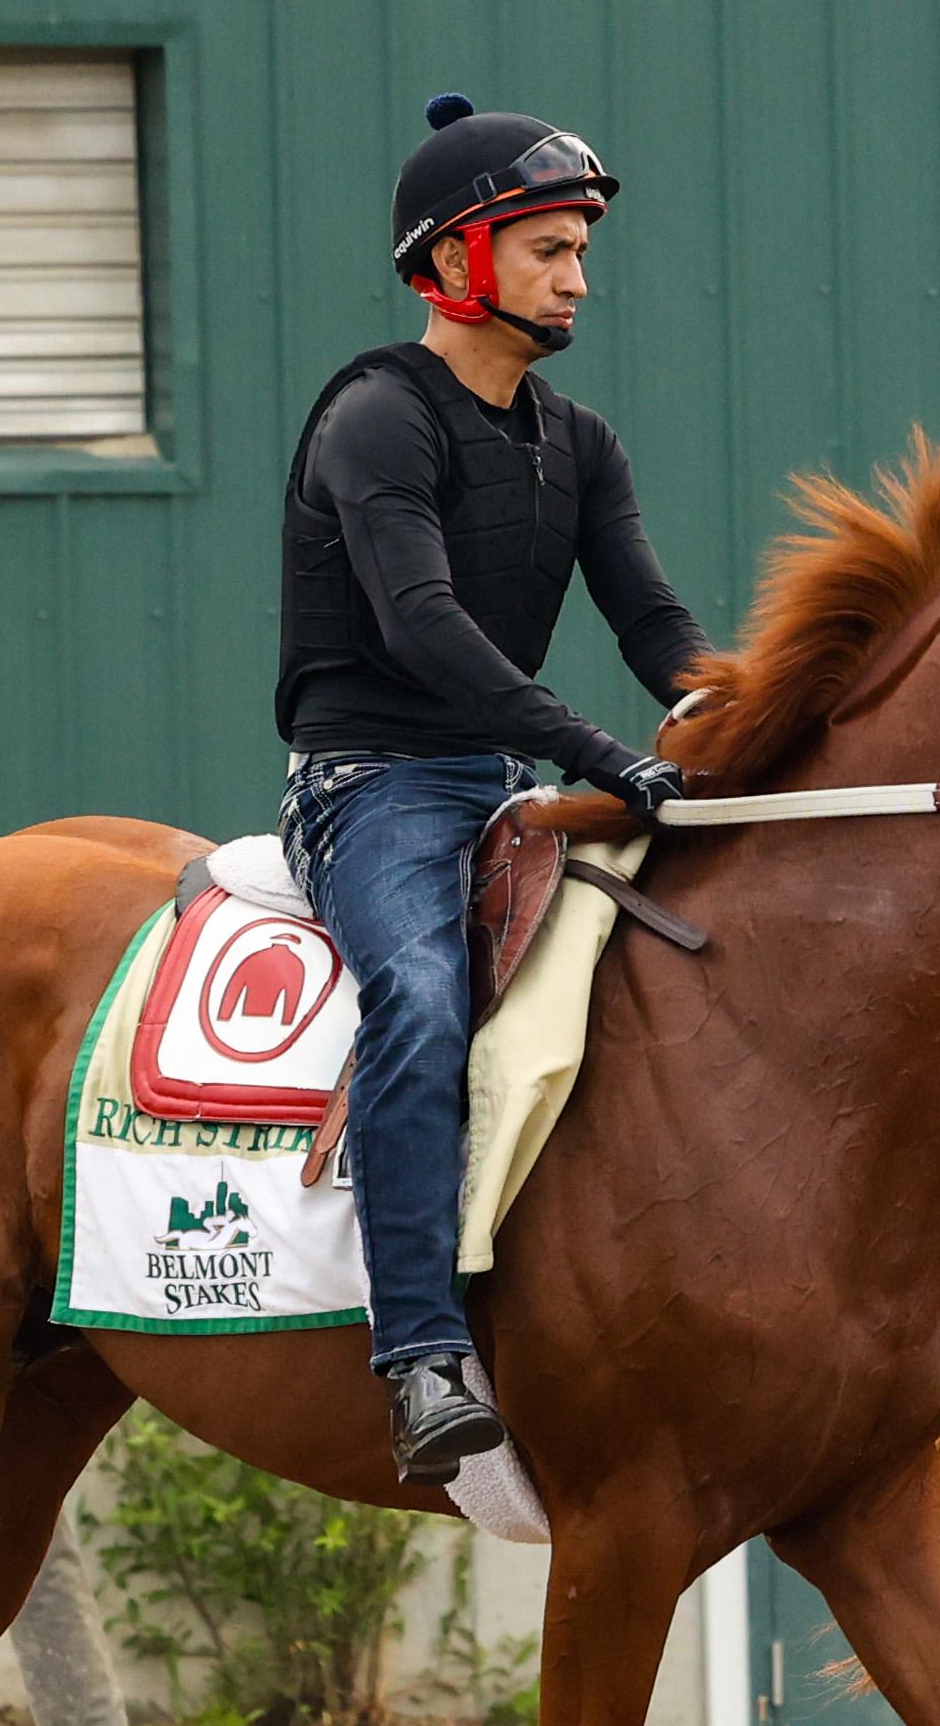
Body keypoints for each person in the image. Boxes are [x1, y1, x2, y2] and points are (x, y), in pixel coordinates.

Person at [277, 96, 709, 1478]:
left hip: (507, 779)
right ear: (453, 262)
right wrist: (606, 758)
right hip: (371, 788)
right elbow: (425, 632)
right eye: (545, 250)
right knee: (414, 997)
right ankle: (418, 1357)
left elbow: (652, 626)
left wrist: (736, 719)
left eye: (580, 249)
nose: (576, 277)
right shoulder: (372, 420)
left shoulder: (578, 443)